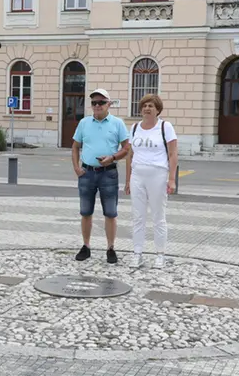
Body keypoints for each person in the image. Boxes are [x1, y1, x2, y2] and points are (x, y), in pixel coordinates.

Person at [71, 88, 130, 264]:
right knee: (85, 212)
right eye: (94, 103)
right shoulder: (84, 123)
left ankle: (110, 248)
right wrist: (76, 167)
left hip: (108, 173)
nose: (97, 106)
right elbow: (75, 146)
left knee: (111, 213)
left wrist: (112, 157)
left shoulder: (117, 123)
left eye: (101, 102)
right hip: (87, 172)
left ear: (109, 104)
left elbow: (127, 148)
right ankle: (86, 246)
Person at [124, 94, 178, 268]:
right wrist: (127, 179)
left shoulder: (165, 127)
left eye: (151, 106)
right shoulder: (134, 128)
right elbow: (130, 155)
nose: (147, 108)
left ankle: (160, 254)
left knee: (158, 216)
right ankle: (137, 253)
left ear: (157, 110)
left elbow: (172, 154)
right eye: (144, 105)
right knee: (138, 216)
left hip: (158, 174)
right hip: (137, 175)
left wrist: (171, 179)